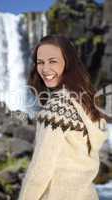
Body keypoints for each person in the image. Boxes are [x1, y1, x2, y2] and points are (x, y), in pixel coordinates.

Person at [18, 34, 108, 200]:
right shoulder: (84, 102)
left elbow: (40, 169)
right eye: (40, 62)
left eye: (53, 61)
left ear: (68, 63)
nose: (45, 69)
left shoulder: (57, 109)